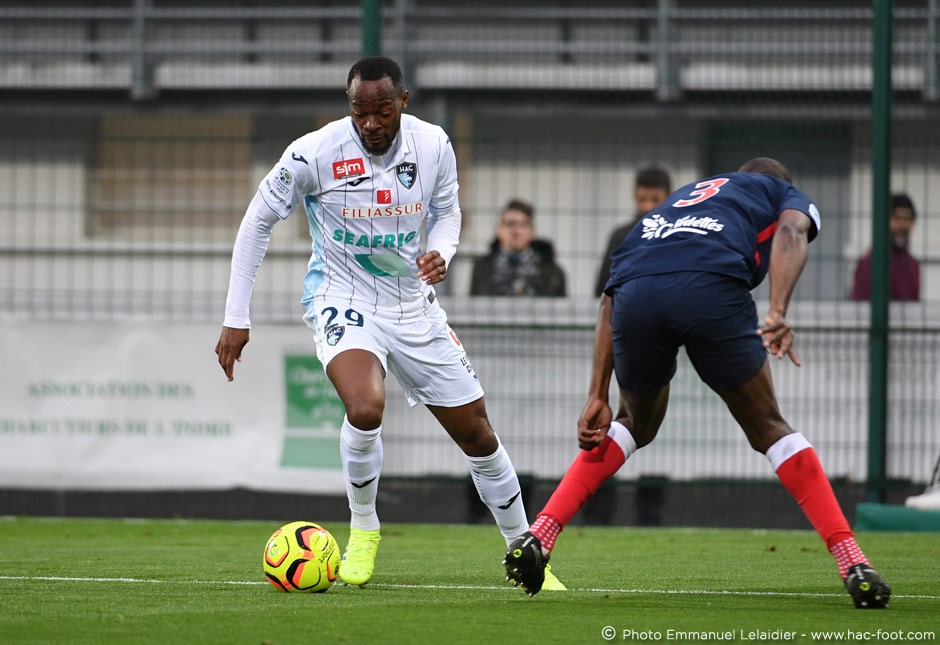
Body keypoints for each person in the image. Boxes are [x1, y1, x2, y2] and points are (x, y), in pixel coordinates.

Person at [214, 56, 564, 591]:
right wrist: (237, 315)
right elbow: (256, 221)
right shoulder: (314, 152)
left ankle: (524, 549)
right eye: (360, 111)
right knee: (365, 405)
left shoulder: (433, 145)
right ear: (349, 106)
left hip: (412, 304)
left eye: (381, 111)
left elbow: (448, 213)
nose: (371, 123)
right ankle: (364, 528)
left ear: (402, 102)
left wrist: (442, 252)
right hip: (342, 296)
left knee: (477, 434)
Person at [503, 158, 891, 609]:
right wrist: (778, 311)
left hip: (635, 299)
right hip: (710, 289)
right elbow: (791, 232)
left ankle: (540, 534)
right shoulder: (778, 192)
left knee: (633, 423)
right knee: (769, 428)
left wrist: (597, 393)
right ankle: (852, 560)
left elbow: (611, 294)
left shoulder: (677, 202)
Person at [594, 167, 672, 297]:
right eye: (643, 199)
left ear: (668, 196)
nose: (648, 206)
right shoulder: (621, 237)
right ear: (635, 196)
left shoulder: (676, 234)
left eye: (655, 200)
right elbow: (604, 284)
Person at [469, 198, 567, 297]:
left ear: (532, 231)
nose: (517, 230)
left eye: (523, 225)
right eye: (511, 224)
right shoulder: (481, 267)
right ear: (498, 229)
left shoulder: (553, 272)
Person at [850, 193, 920, 301]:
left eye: (907, 218)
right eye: (896, 218)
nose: (901, 224)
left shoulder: (913, 264)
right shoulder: (871, 262)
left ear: (912, 223)